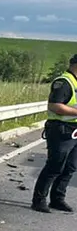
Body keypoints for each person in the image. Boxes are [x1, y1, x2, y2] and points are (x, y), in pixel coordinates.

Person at [31, 54, 77, 213]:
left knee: (70, 167)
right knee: (54, 166)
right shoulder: (63, 82)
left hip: (74, 130)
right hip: (60, 130)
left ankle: (57, 199)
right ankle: (39, 200)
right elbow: (55, 106)